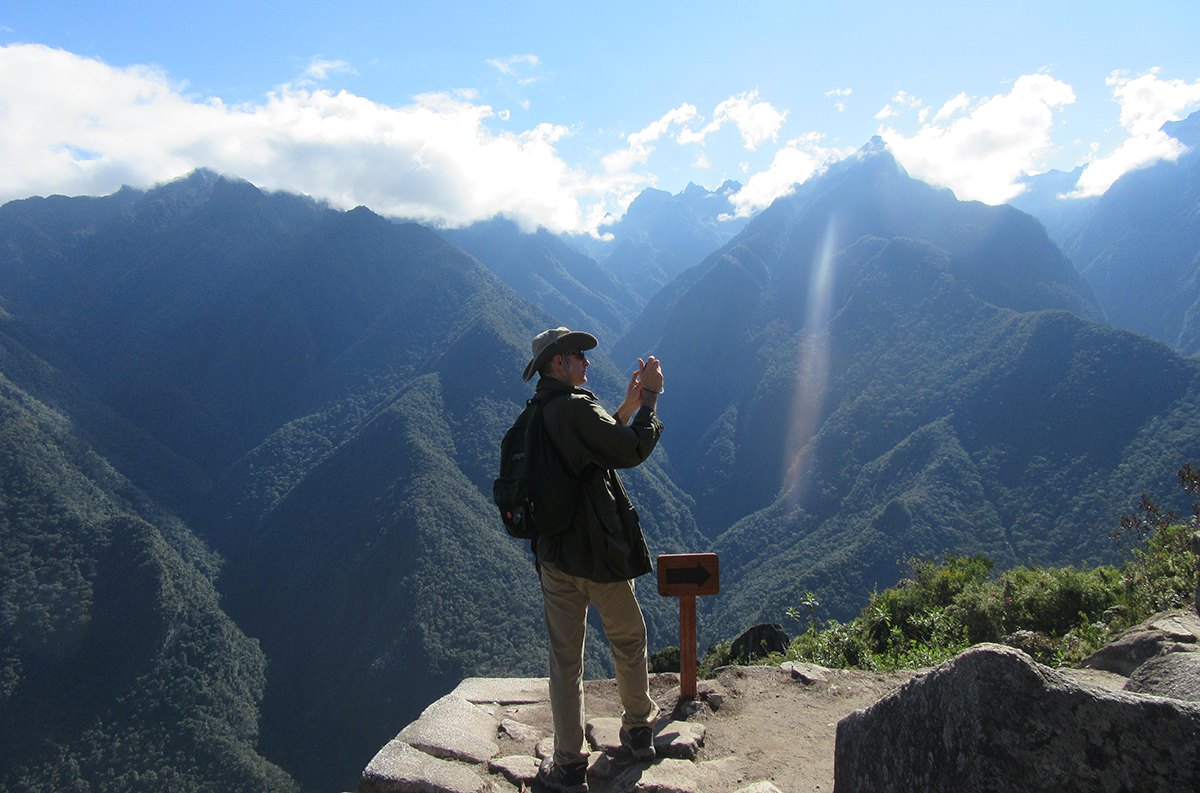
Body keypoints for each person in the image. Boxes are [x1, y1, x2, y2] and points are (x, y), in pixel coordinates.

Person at [518, 327, 665, 793]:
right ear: (557, 364)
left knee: (565, 661)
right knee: (629, 637)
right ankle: (638, 729)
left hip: (554, 557)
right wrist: (652, 403)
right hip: (598, 556)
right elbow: (629, 450)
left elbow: (594, 446)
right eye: (579, 356)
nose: (587, 362)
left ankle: (567, 763)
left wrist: (627, 404)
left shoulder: (537, 415)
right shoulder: (577, 408)